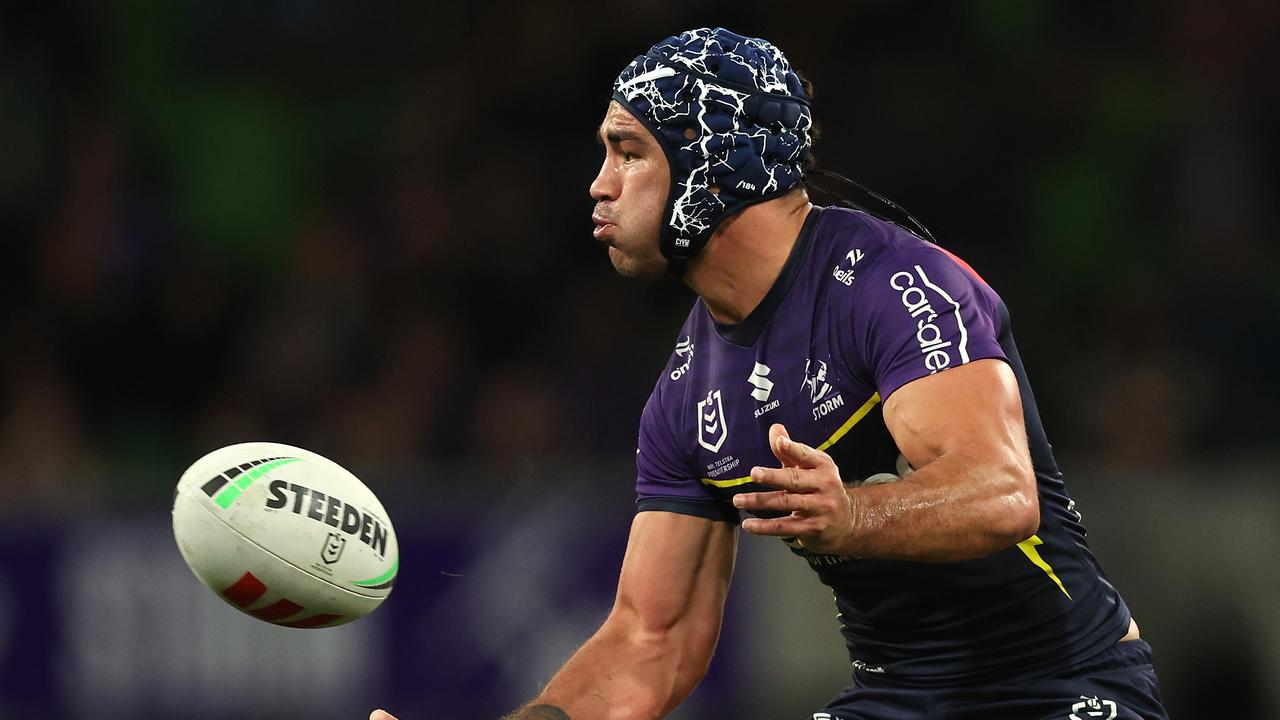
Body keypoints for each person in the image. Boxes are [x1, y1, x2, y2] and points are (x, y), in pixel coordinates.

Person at [372, 27, 1167, 720]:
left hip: (1060, 684)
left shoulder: (894, 285)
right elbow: (652, 639)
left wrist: (853, 515)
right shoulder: (684, 401)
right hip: (896, 699)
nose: (600, 184)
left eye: (629, 151)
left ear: (711, 164)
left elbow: (1000, 493)